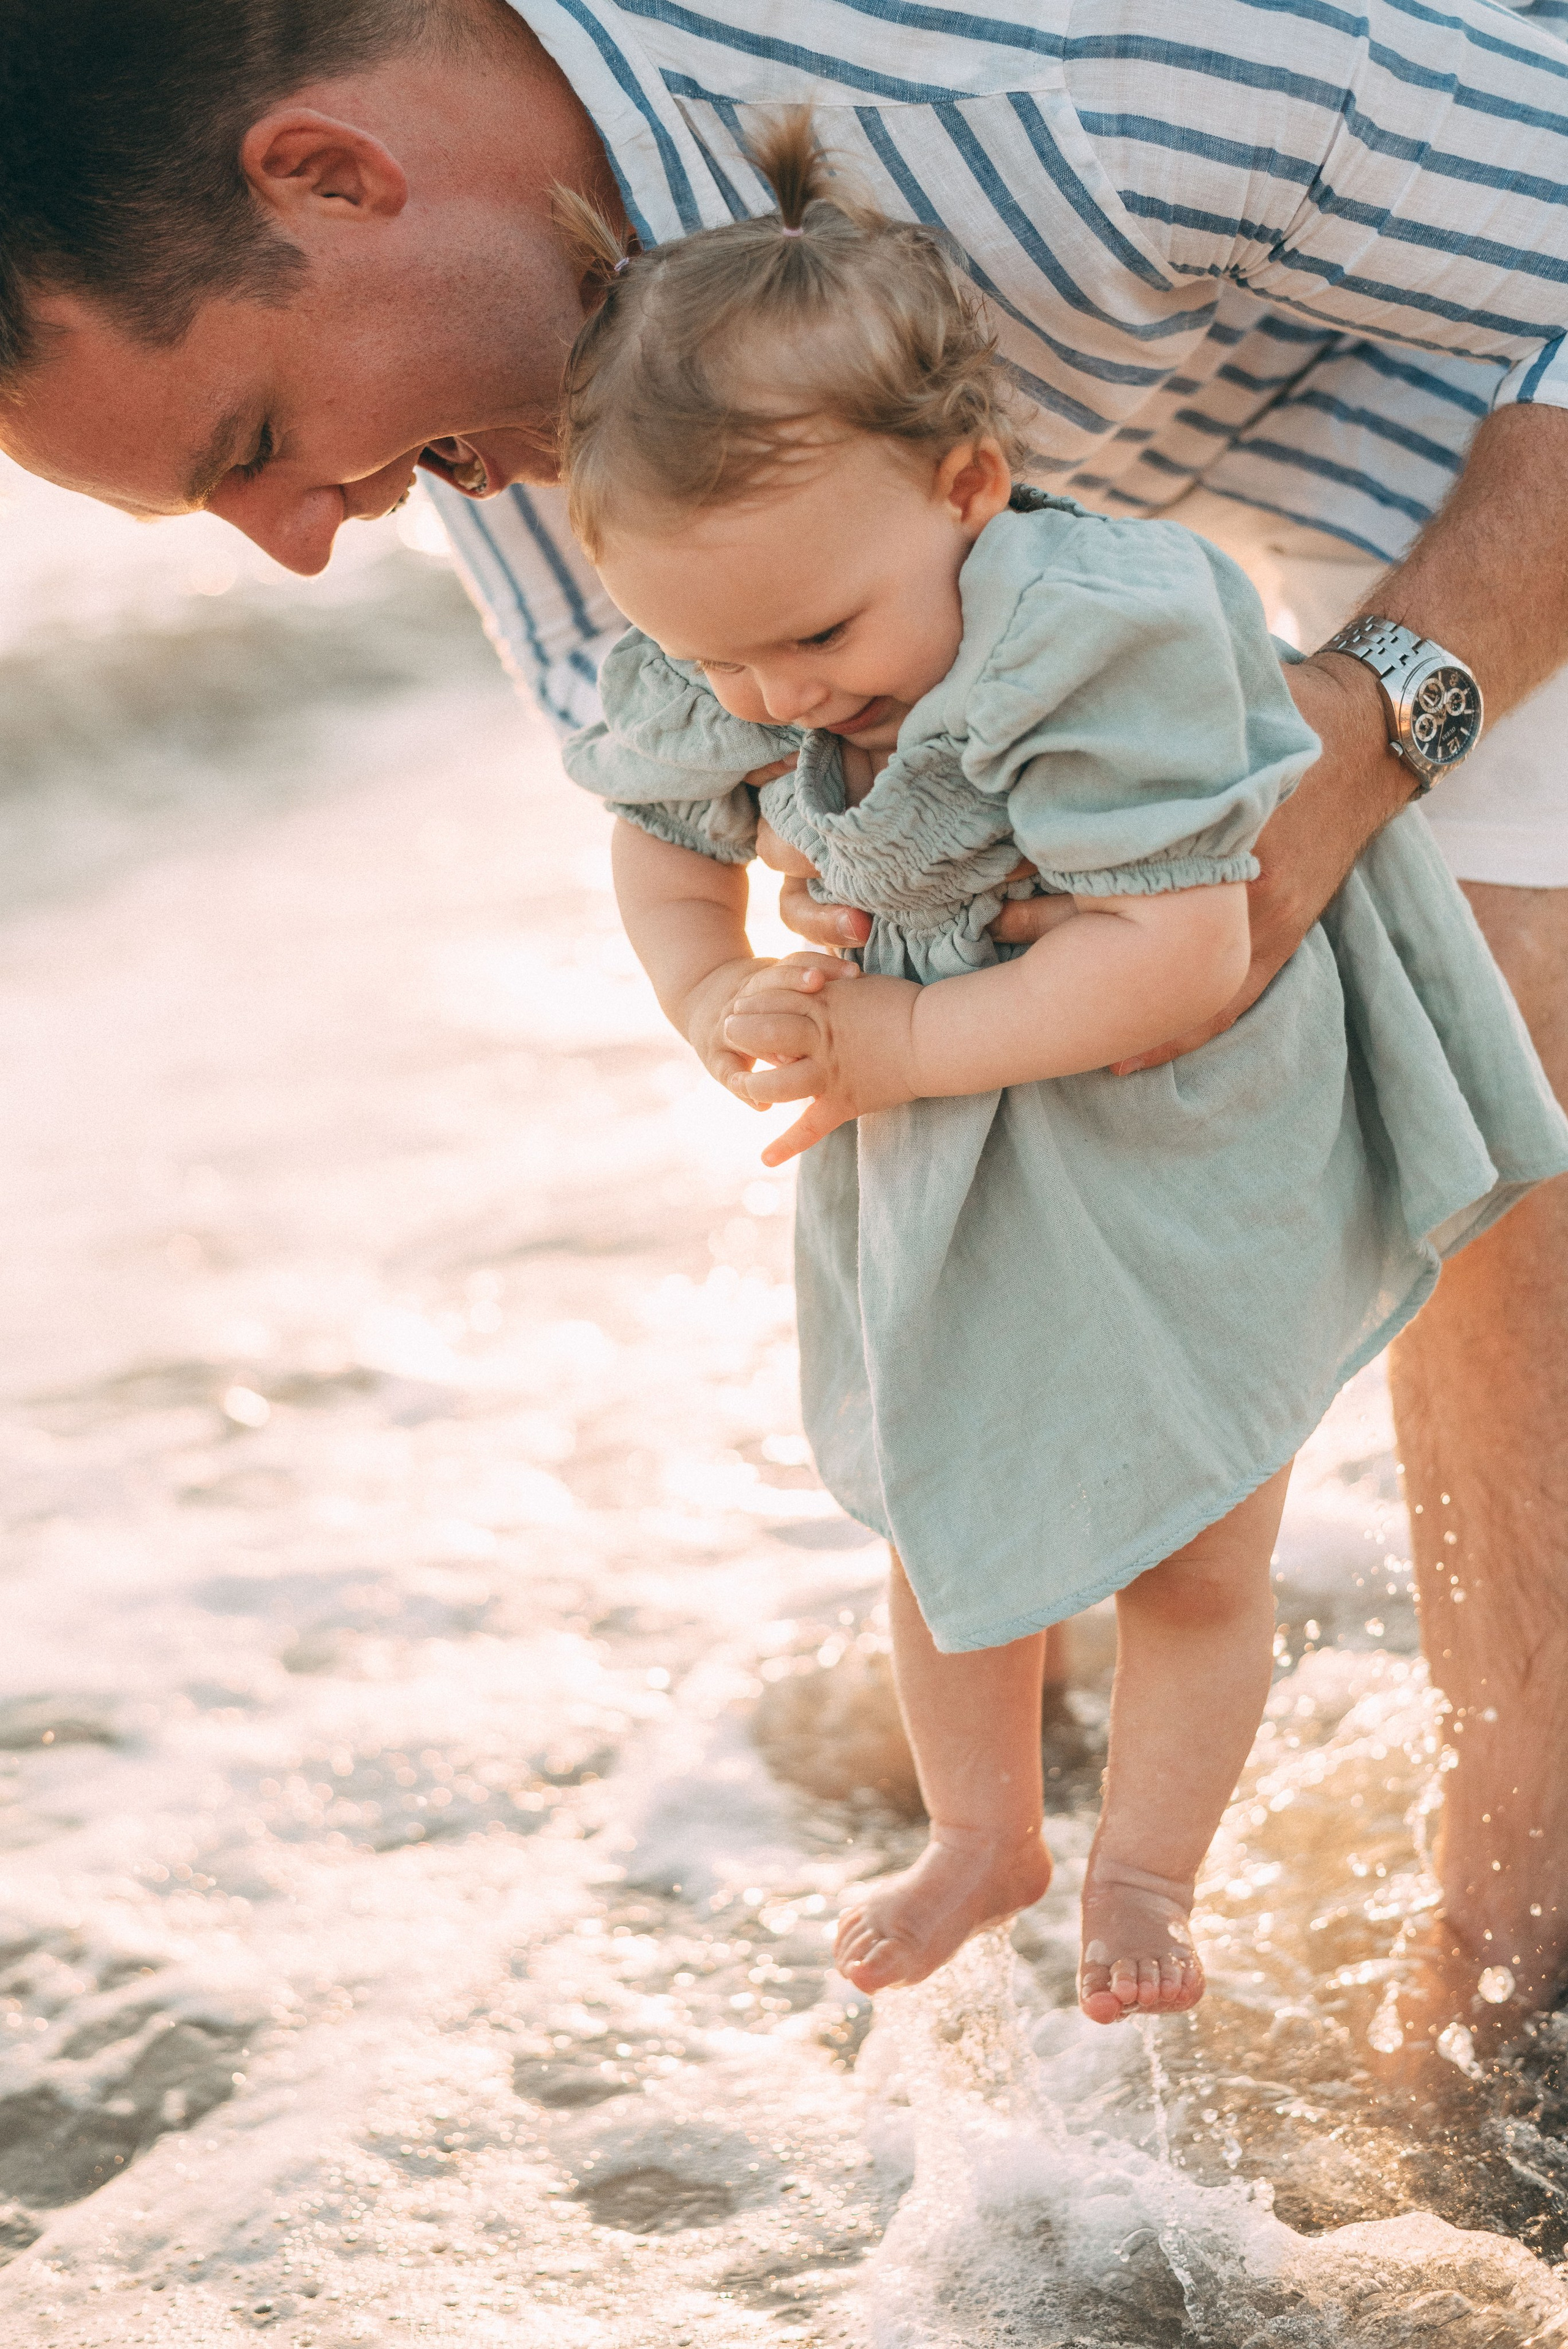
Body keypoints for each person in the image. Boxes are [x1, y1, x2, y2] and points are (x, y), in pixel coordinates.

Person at [3, 0, 1568, 2023]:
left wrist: (1368, 730)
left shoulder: (1051, 68)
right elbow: (679, 812)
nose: (300, 545)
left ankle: (1516, 1913)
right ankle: (1047, 1603)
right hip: (1145, 507)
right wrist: (784, 984)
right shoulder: (504, 410)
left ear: (333, 174)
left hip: (1490, 365)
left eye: (250, 448)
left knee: (1499, 971)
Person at [549, 119, 1568, 2018]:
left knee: (1195, 1536)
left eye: (819, 637)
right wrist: (713, 991)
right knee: (953, 1517)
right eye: (724, 659)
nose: (778, 699)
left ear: (969, 487)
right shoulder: (740, 639)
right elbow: (665, 836)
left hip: (1189, 1108)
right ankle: (981, 1833)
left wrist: (899, 1035)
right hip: (944, 1128)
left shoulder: (1103, 635)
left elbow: (1184, 954)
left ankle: (1151, 1873)